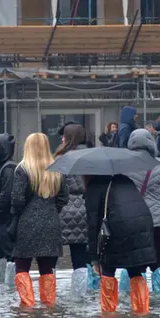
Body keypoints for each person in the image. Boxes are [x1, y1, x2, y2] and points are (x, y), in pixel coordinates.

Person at [10, 133, 69, 308]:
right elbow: (63, 197)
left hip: (27, 224)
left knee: (22, 267)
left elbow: (17, 200)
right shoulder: (56, 169)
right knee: (47, 269)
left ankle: (27, 306)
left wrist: (20, 214)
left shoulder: (23, 169)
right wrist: (51, 210)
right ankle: (49, 305)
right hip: (51, 222)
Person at [86, 170, 155, 314]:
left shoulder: (94, 186)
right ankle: (142, 312)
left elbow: (93, 224)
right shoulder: (125, 179)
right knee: (135, 269)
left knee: (108, 269)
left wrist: (94, 258)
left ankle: (108, 315)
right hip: (142, 225)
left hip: (118, 227)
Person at [126, 129, 160, 301]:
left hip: (132, 221)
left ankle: (137, 300)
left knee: (134, 264)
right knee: (159, 262)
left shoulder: (124, 166)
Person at [53, 124, 94, 298]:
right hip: (84, 209)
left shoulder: (61, 158)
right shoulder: (91, 157)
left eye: (64, 136)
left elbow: (55, 186)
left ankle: (50, 295)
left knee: (51, 256)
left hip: (62, 210)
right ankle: (80, 295)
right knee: (80, 257)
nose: (61, 138)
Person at [0, 133, 18, 287]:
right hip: (0, 219)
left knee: (9, 254)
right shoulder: (1, 166)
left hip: (5, 219)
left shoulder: (8, 169)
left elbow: (6, 194)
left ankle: (10, 287)